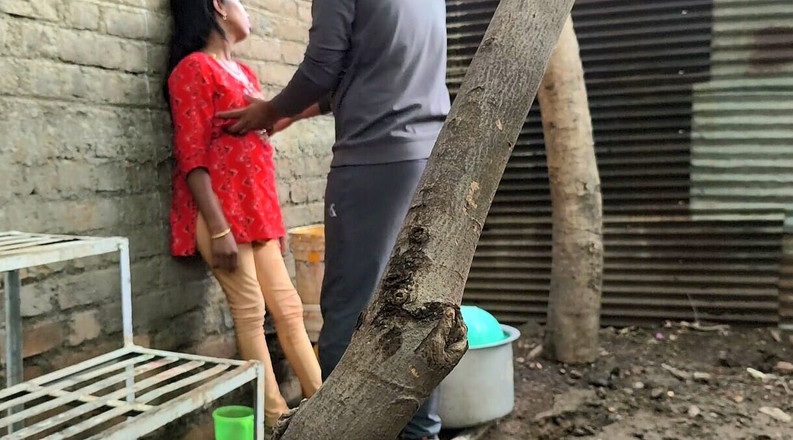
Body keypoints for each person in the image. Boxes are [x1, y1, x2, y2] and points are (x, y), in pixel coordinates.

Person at [219, 1, 451, 438]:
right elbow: (370, 67)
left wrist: (270, 111)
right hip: (431, 157)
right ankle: (421, 432)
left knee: (348, 308)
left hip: (373, 158)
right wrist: (293, 112)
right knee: (420, 306)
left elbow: (321, 69)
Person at [164, 0, 322, 433]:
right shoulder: (193, 70)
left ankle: (326, 407)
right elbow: (191, 156)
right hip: (222, 215)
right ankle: (278, 422)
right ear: (218, 5)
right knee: (251, 312)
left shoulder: (245, 73)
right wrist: (218, 229)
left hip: (256, 213)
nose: (247, 11)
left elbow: (256, 153)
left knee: (289, 309)